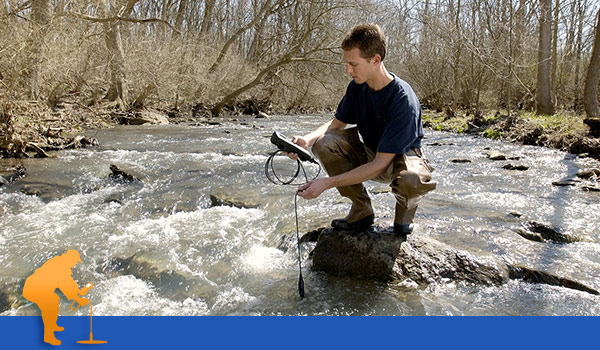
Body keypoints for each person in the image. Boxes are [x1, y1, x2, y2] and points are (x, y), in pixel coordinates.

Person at [291, 24, 436, 234]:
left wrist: (326, 183)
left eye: (353, 64)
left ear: (375, 60)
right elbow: (335, 126)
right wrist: (307, 140)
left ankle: (403, 217)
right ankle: (362, 210)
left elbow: (380, 165)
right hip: (372, 154)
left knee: (410, 180)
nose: (348, 70)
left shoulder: (403, 101)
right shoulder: (357, 86)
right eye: (346, 64)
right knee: (325, 143)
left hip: (400, 160)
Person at [22, 250, 90, 345]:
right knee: (49, 309)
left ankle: (52, 325)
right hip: (34, 289)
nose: (75, 264)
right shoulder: (60, 267)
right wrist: (78, 299)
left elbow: (69, 283)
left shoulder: (61, 263)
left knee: (53, 303)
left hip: (41, 288)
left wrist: (77, 293)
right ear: (69, 259)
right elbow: (66, 287)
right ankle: (49, 336)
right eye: (74, 261)